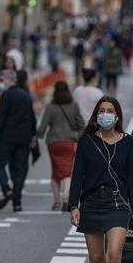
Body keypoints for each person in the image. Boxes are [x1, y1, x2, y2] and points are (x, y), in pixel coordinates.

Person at [68, 96, 133, 263]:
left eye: (110, 111)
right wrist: (73, 205)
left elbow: (132, 178)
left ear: (117, 115)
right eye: (102, 111)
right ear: (96, 115)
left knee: (113, 256)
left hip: (118, 204)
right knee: (97, 259)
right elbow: (77, 174)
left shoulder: (127, 142)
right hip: (91, 203)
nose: (106, 114)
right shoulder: (87, 142)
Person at [0, 69, 36, 213]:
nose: (0, 83)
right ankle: (17, 203)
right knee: (20, 170)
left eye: (1, 80)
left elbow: (1, 117)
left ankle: (6, 189)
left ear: (10, 80)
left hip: (7, 138)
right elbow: (32, 118)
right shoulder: (26, 96)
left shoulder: (6, 95)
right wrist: (33, 136)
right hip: (24, 138)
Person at [36, 81, 84, 211]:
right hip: (69, 142)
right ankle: (66, 197)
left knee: (56, 173)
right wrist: (77, 136)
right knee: (68, 171)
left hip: (53, 143)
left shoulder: (50, 107)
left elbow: (42, 126)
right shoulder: (74, 106)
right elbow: (81, 125)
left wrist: (36, 137)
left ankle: (56, 201)